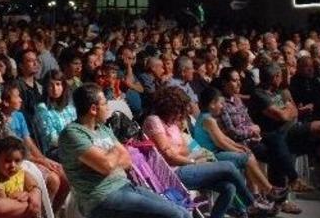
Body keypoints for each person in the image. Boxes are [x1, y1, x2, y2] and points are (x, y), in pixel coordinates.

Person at [59, 83, 189, 218]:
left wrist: (108, 157)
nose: (108, 108)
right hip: (102, 198)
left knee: (183, 211)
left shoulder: (103, 128)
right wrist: (114, 151)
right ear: (93, 109)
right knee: (175, 215)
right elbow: (106, 166)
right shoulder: (73, 133)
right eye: (105, 104)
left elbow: (127, 160)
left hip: (125, 187)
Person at [143, 86, 271, 218]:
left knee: (229, 187)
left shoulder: (173, 125)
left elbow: (187, 148)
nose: (181, 115)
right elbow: (169, 156)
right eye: (180, 110)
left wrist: (178, 151)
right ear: (171, 107)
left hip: (187, 165)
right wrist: (192, 161)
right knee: (229, 166)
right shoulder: (154, 121)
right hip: (173, 173)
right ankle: (252, 204)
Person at [249, 64, 320, 206]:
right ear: (275, 76)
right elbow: (282, 116)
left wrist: (288, 111)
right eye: (281, 75)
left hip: (292, 131)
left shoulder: (278, 91)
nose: (284, 78)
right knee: (319, 126)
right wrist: (287, 110)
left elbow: (293, 111)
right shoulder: (259, 94)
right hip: (278, 135)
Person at [193, 87, 296, 214]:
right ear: (212, 104)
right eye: (220, 103)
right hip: (212, 156)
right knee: (246, 157)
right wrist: (238, 150)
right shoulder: (208, 120)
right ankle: (269, 191)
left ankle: (266, 192)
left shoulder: (208, 117)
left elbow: (224, 138)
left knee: (247, 154)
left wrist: (238, 147)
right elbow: (220, 142)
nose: (222, 106)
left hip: (216, 152)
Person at [0, 83, 68, 210]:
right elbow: (11, 153)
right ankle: (43, 211)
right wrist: (39, 161)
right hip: (19, 160)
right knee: (54, 180)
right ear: (6, 102)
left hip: (29, 156)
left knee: (64, 174)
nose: (21, 99)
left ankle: (53, 211)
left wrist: (43, 159)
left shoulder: (19, 115)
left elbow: (28, 140)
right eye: (17, 97)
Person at [0, 136, 42, 214]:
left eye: (17, 161)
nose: (13, 165)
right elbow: (5, 209)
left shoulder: (21, 173)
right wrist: (15, 198)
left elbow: (34, 186)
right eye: (7, 161)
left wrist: (31, 194)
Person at [35, 70, 77, 156]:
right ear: (46, 87)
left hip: (75, 145)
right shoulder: (42, 108)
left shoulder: (70, 107)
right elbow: (51, 139)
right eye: (51, 85)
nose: (55, 89)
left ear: (63, 86)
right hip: (55, 151)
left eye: (58, 84)